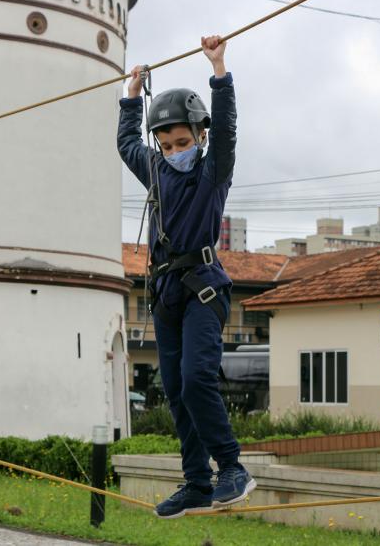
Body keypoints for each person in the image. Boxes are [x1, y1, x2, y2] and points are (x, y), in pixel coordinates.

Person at [118, 35, 254, 519]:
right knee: (174, 390)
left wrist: (219, 72)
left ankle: (232, 468)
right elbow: (126, 142)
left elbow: (228, 132)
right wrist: (132, 97)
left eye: (184, 141)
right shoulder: (154, 169)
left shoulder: (212, 172)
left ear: (198, 137)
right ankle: (197, 482)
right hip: (165, 293)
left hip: (204, 287)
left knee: (197, 378)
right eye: (168, 143)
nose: (175, 149)